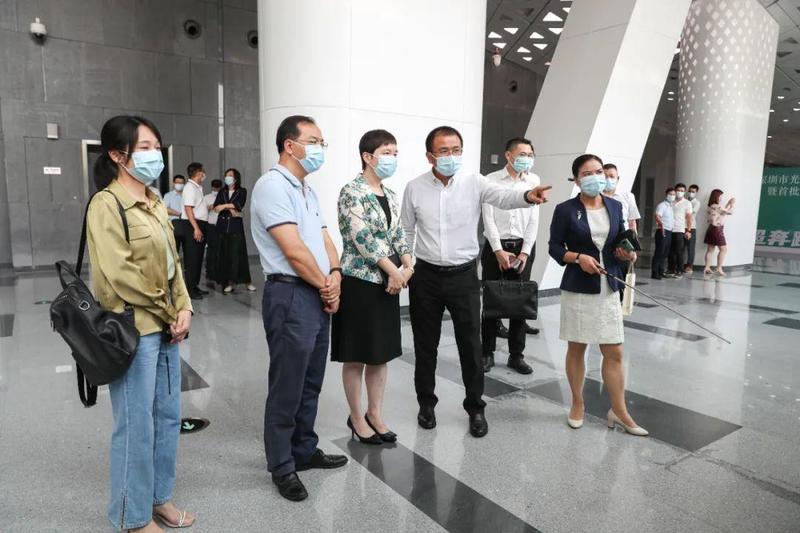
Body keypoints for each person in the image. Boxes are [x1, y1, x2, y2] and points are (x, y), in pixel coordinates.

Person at [400, 125, 551, 438]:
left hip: (464, 277)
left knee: (471, 345)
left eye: (456, 150)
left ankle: (475, 407)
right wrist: (407, 264)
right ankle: (426, 403)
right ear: (430, 156)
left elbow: (504, 197)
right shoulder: (415, 188)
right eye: (444, 151)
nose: (451, 156)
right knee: (425, 345)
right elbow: (406, 230)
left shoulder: (474, 182)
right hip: (426, 277)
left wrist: (527, 196)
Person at [87, 115, 195, 532]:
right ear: (118, 155)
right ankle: (132, 516)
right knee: (136, 424)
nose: (155, 155)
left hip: (167, 326)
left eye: (156, 146)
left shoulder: (154, 201)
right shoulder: (106, 204)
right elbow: (120, 274)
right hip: (134, 330)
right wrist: (170, 311)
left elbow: (173, 264)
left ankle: (159, 498)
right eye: (145, 148)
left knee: (166, 418)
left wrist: (184, 307)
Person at [251, 115, 347, 502]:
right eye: (314, 141)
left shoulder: (307, 190)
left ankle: (304, 449)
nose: (320, 148)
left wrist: (335, 274)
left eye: (322, 142)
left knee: (310, 380)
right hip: (290, 294)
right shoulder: (272, 186)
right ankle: (282, 465)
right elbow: (292, 250)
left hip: (315, 291)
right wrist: (326, 285)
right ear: (290, 146)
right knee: (287, 384)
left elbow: (324, 238)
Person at [549, 154, 647, 436]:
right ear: (577, 179)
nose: (596, 177)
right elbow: (554, 247)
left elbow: (619, 241)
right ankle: (577, 403)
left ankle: (619, 410)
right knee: (577, 347)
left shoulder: (615, 206)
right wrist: (578, 257)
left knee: (614, 351)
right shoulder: (566, 210)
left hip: (608, 285)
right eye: (588, 173)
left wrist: (627, 253)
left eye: (600, 171)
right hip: (579, 286)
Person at [331, 129, 413, 445]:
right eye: (386, 152)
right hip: (360, 282)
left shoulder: (389, 193)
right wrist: (395, 272)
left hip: (387, 283)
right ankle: (356, 417)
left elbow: (398, 234)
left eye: (395, 152)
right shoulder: (351, 191)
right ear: (368, 156)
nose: (393, 158)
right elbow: (362, 238)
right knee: (356, 355)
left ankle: (374, 414)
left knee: (380, 354)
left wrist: (408, 266)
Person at [480, 137, 541, 375]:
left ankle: (517, 356)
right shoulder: (490, 179)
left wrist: (525, 252)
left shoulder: (534, 181)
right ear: (508, 155)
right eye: (522, 154)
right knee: (491, 301)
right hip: (495, 248)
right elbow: (488, 218)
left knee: (520, 303)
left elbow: (534, 219)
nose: (527, 159)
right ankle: (487, 353)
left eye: (530, 155)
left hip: (523, 247)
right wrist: (497, 250)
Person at [213, 168, 256, 293]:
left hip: (235, 227)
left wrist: (224, 206)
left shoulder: (242, 191)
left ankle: (247, 282)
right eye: (226, 175)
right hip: (222, 227)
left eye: (230, 175)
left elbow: (239, 204)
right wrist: (229, 208)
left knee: (239, 255)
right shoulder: (222, 192)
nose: (228, 177)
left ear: (236, 178)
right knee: (226, 256)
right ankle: (230, 283)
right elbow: (216, 207)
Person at [178, 162, 209, 299]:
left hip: (198, 224)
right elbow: (188, 208)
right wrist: (196, 228)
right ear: (198, 172)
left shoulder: (197, 187)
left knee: (197, 258)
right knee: (192, 259)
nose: (204, 174)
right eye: (203, 171)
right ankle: (190, 290)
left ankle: (194, 286)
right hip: (192, 225)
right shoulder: (190, 187)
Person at [703, 189, 735, 276]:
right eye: (720, 196)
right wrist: (732, 204)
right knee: (723, 249)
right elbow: (730, 212)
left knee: (710, 250)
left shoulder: (711, 206)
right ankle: (719, 268)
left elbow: (721, 213)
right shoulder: (717, 206)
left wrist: (728, 204)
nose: (721, 198)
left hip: (711, 229)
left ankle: (707, 267)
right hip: (717, 230)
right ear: (716, 197)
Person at [602, 163, 641, 232]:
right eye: (605, 177)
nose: (608, 179)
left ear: (618, 178)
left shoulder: (628, 196)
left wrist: (634, 237)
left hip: (622, 236)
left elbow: (632, 223)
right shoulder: (595, 197)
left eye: (612, 176)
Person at [667, 182, 693, 279]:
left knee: (679, 251)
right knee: (670, 251)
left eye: (682, 191)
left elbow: (689, 218)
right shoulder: (671, 201)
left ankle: (679, 270)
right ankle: (671, 269)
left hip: (679, 230)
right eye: (678, 190)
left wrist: (688, 230)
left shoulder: (687, 203)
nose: (679, 192)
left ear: (684, 192)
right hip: (669, 229)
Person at [651, 187, 675, 280]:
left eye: (673, 194)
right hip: (662, 231)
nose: (672, 196)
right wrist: (661, 225)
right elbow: (657, 216)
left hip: (669, 231)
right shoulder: (662, 205)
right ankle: (654, 272)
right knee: (659, 252)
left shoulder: (671, 206)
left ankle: (661, 271)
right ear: (666, 194)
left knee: (665, 252)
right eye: (670, 194)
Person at [204, 179, 222, 288]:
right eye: (215, 187)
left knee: (221, 250)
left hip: (221, 226)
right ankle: (210, 273)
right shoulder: (206, 198)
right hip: (210, 226)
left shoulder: (223, 197)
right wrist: (209, 207)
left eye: (218, 187)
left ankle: (220, 272)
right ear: (212, 187)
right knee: (211, 250)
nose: (216, 189)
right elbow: (202, 211)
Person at [163, 175, 186, 253]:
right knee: (174, 250)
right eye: (177, 182)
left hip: (187, 223)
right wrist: (179, 214)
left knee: (188, 249)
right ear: (173, 183)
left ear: (184, 184)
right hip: (174, 224)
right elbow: (164, 209)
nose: (179, 184)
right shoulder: (168, 195)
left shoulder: (187, 195)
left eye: (181, 183)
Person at [684, 184, 701, 273]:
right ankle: (680, 265)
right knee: (680, 247)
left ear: (696, 192)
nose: (691, 193)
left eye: (693, 192)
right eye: (690, 191)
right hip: (681, 227)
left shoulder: (697, 203)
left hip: (691, 227)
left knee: (690, 247)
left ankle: (689, 266)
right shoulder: (684, 201)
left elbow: (690, 214)